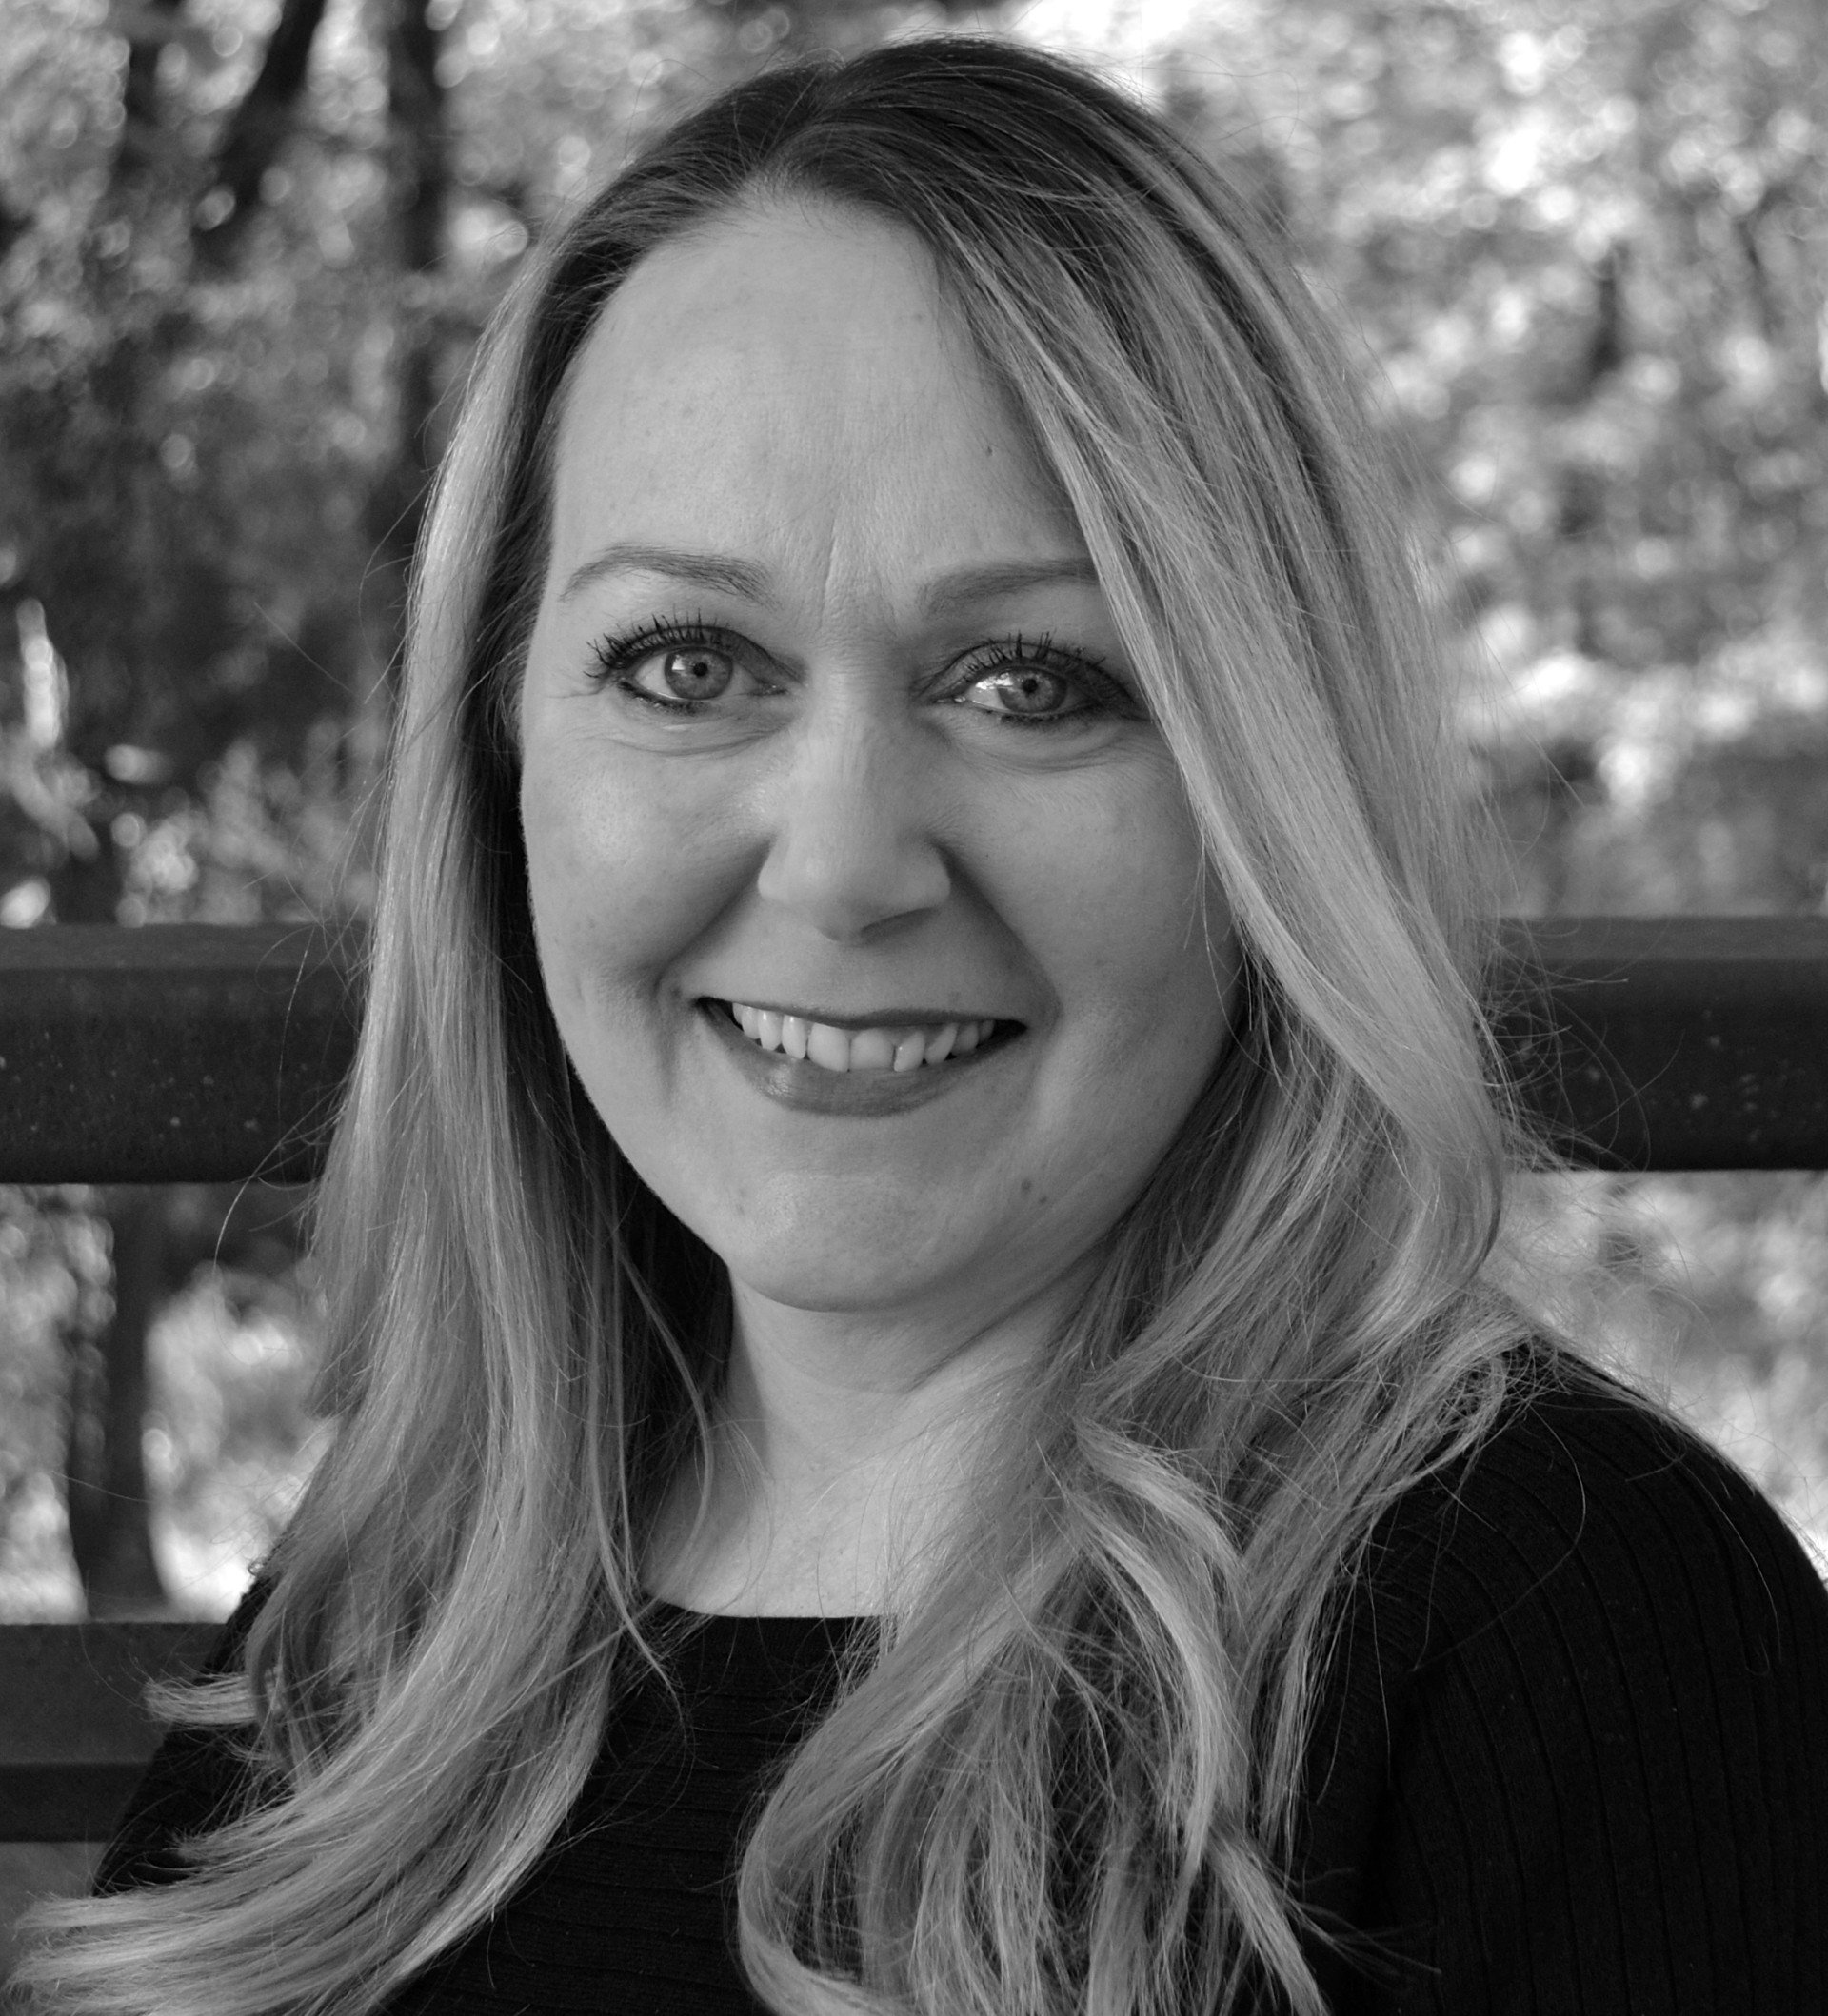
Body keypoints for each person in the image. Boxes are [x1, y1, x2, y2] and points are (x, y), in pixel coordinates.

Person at [16, 34, 1828, 2016]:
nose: (847, 862)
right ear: (497, 755)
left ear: (1261, 787)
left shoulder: (1583, 1628)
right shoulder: (412, 1599)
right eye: (689, 659)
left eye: (1029, 679)